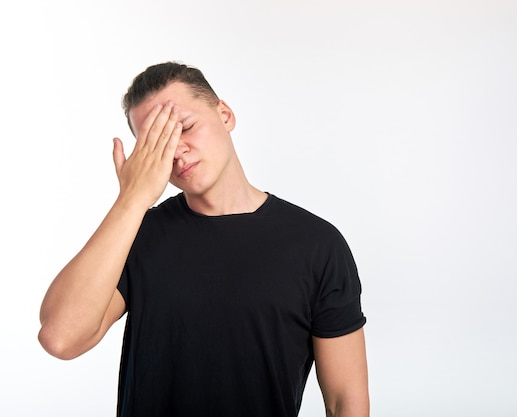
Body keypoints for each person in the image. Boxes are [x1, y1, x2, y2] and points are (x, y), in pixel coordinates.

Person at [38, 62, 369, 417]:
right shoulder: (137, 233)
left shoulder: (316, 244)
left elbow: (344, 400)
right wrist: (131, 199)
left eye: (185, 127)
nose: (176, 149)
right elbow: (61, 338)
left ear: (224, 114)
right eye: (156, 143)